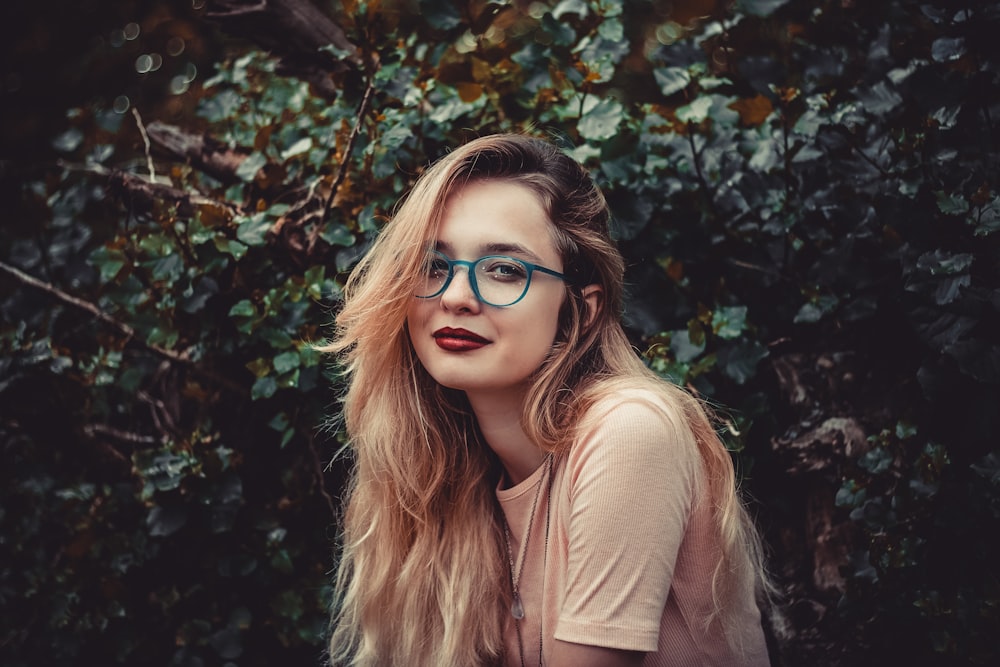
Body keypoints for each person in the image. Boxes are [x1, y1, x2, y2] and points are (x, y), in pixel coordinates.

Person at [322, 133, 773, 666]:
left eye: (505, 270)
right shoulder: (447, 482)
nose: (455, 297)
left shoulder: (629, 429)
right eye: (433, 265)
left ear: (580, 310)